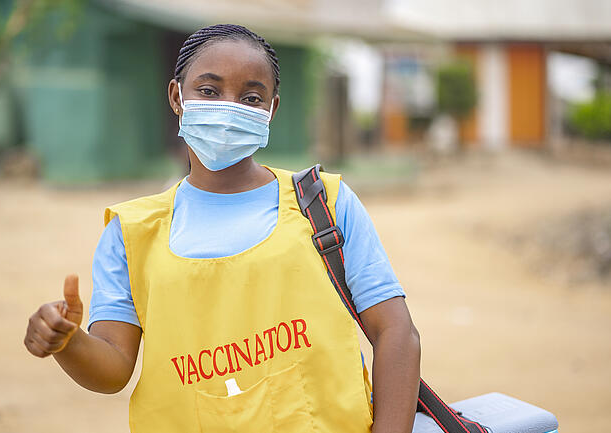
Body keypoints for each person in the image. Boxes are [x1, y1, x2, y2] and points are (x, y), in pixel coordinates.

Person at [24, 24, 421, 433]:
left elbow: (396, 332)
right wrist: (68, 342)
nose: (229, 109)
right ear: (177, 97)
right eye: (209, 91)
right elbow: (113, 369)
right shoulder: (132, 233)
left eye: (251, 97)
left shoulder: (324, 204)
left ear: (272, 109)